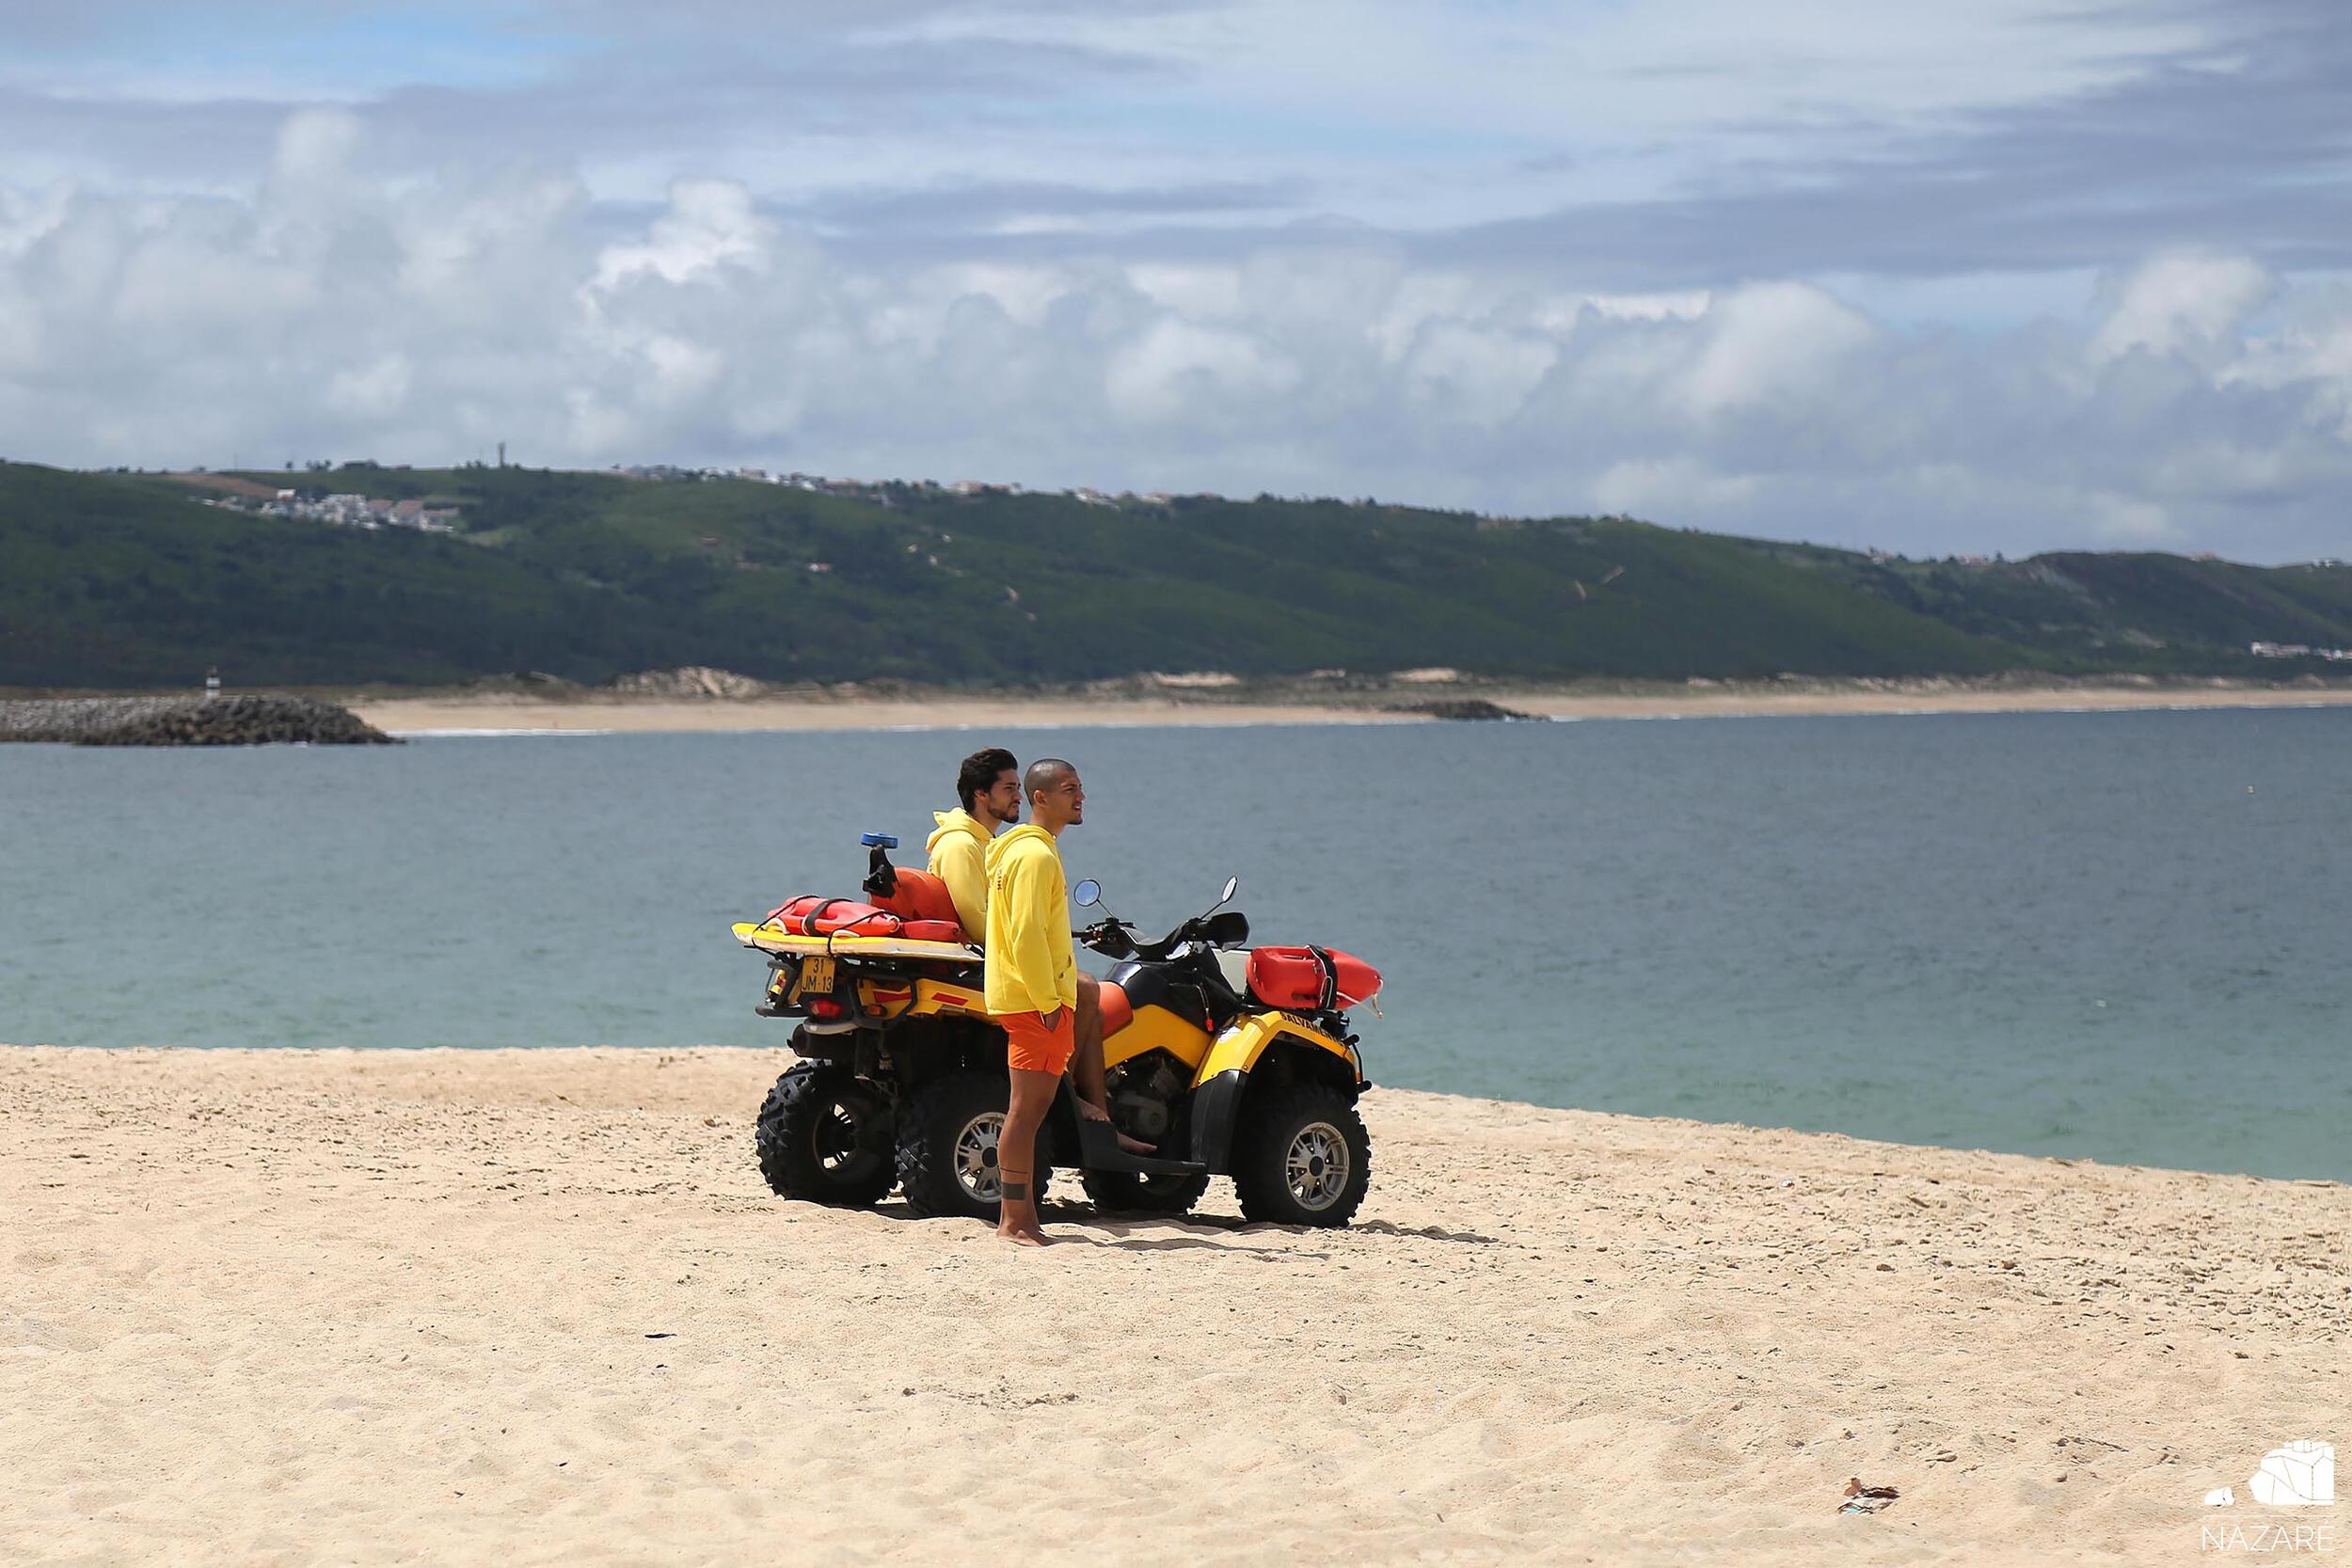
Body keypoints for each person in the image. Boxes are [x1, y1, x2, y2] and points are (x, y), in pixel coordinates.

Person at [932, 748, 1132, 1148]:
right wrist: (1047, 1000)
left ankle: (1089, 1105)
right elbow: (984, 921)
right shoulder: (963, 845)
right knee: (1087, 989)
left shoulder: (993, 843)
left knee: (1086, 988)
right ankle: (1069, 1097)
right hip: (990, 966)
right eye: (1008, 789)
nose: (1018, 797)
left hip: (992, 957)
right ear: (980, 794)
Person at [982, 757, 1089, 1245]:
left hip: (1028, 997)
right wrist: (1048, 1001)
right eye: (1069, 789)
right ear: (1040, 797)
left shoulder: (1019, 853)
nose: (1080, 797)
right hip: (1033, 1001)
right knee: (1026, 1112)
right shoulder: (1035, 856)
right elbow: (1025, 934)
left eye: (1080, 788)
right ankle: (1014, 1221)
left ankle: (1023, 1217)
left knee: (1029, 1111)